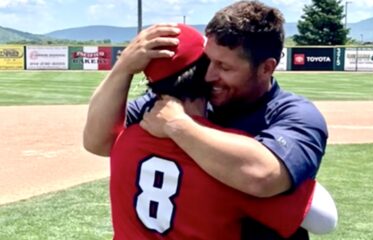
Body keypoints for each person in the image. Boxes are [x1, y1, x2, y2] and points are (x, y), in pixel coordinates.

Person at [83, 1, 333, 239]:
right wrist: (123, 67)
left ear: (266, 68)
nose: (209, 75)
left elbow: (263, 176)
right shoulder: (170, 104)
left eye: (224, 67)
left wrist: (178, 125)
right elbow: (98, 141)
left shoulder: (296, 115)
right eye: (207, 61)